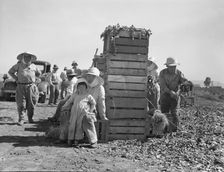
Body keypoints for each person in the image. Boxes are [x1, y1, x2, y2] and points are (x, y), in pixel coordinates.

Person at [61, 78, 96, 147]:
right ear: (77, 88)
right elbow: (69, 101)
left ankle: (77, 140)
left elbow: (93, 103)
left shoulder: (88, 96)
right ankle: (70, 139)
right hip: (74, 113)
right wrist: (64, 106)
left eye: (83, 87)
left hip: (82, 113)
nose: (81, 89)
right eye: (79, 87)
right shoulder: (75, 95)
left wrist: (90, 111)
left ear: (86, 88)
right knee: (72, 125)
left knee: (79, 126)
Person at [8, 52, 40, 125]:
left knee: (31, 103)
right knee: (21, 103)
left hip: (31, 87)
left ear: (31, 58)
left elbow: (39, 74)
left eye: (28, 57)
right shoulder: (18, 65)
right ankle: (21, 119)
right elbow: (10, 72)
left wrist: (36, 79)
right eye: (25, 57)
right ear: (22, 58)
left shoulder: (34, 66)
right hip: (20, 86)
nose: (27, 58)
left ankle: (30, 118)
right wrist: (16, 79)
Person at [82, 67, 108, 148]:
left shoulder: (100, 88)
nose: (89, 78)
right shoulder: (84, 85)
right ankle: (68, 137)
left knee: (87, 118)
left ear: (96, 78)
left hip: (91, 109)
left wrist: (103, 116)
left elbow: (101, 103)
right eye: (89, 76)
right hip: (80, 107)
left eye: (92, 76)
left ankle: (93, 140)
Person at [159, 57, 187, 131]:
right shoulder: (162, 73)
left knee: (175, 113)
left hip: (175, 96)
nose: (173, 68)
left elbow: (183, 83)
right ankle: (164, 129)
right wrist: (170, 92)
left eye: (174, 66)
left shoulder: (179, 73)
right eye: (171, 67)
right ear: (167, 66)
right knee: (164, 113)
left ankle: (175, 130)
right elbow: (163, 86)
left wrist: (179, 91)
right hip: (165, 95)